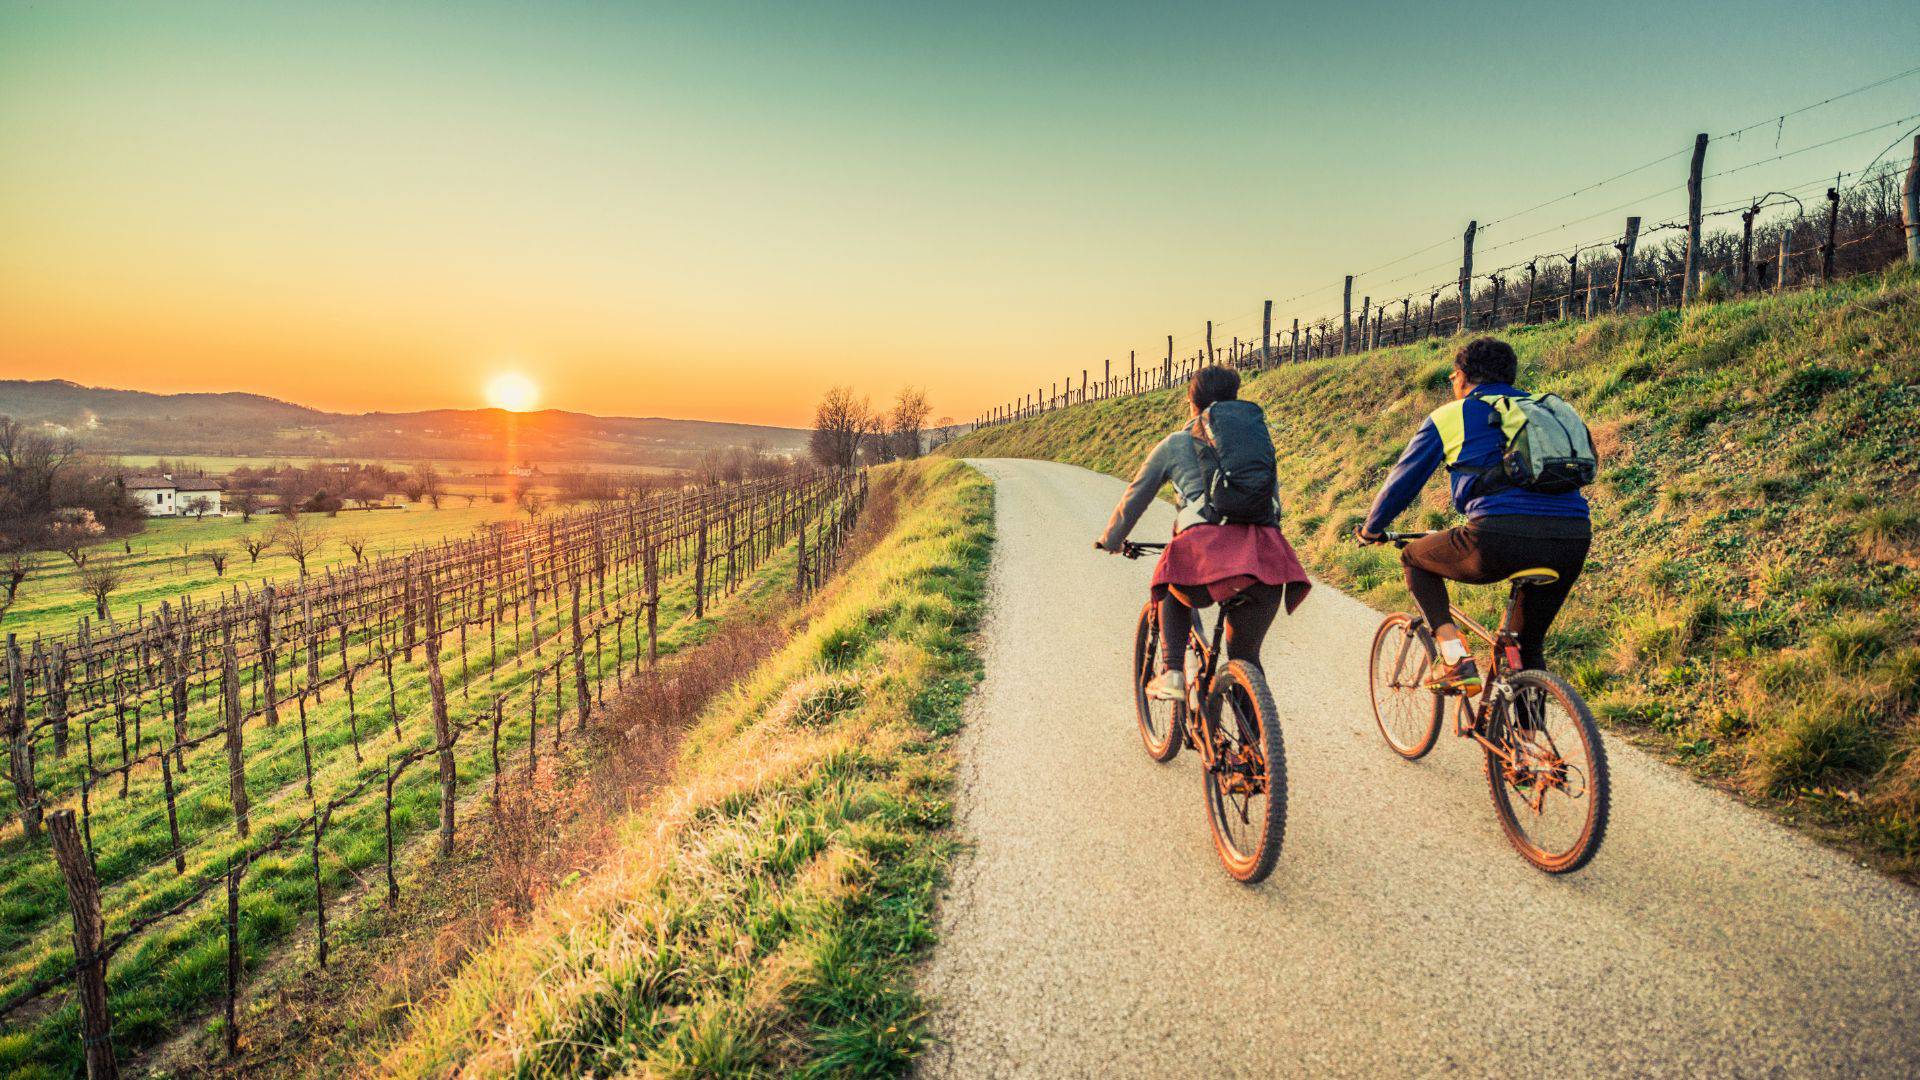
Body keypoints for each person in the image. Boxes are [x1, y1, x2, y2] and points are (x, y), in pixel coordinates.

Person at [1358, 337, 1591, 693]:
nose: (1453, 383)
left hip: (1497, 537)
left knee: (1414, 559)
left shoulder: (1452, 415)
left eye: (1453, 376)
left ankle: (1453, 658)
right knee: (1525, 646)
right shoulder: (1542, 411)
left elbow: (1402, 483)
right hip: (1572, 538)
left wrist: (1372, 529)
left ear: (1463, 376)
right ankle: (1524, 744)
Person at [1095, 366, 1311, 700]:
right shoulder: (1254, 443)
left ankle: (1172, 673)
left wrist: (1111, 539)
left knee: (1168, 584)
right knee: (1245, 657)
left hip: (1205, 556)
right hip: (1264, 557)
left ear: (1191, 403)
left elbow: (1137, 494)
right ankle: (1257, 748)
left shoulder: (1176, 443)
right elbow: (1271, 501)